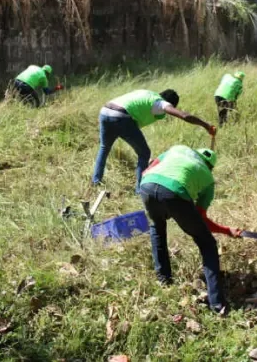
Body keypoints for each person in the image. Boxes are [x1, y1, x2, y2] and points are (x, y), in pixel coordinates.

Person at [139, 145, 241, 315]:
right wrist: (226, 230)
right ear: (210, 167)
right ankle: (217, 304)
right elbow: (202, 220)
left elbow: (146, 170)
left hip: (147, 185)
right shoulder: (207, 179)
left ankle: (164, 280)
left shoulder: (177, 149)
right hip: (174, 192)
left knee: (157, 228)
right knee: (207, 243)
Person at [91, 89, 216, 192]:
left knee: (104, 147)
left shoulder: (147, 94)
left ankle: (96, 182)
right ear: (170, 103)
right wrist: (206, 125)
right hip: (121, 116)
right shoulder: (161, 103)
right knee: (144, 153)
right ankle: (140, 190)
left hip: (105, 111)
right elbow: (184, 116)